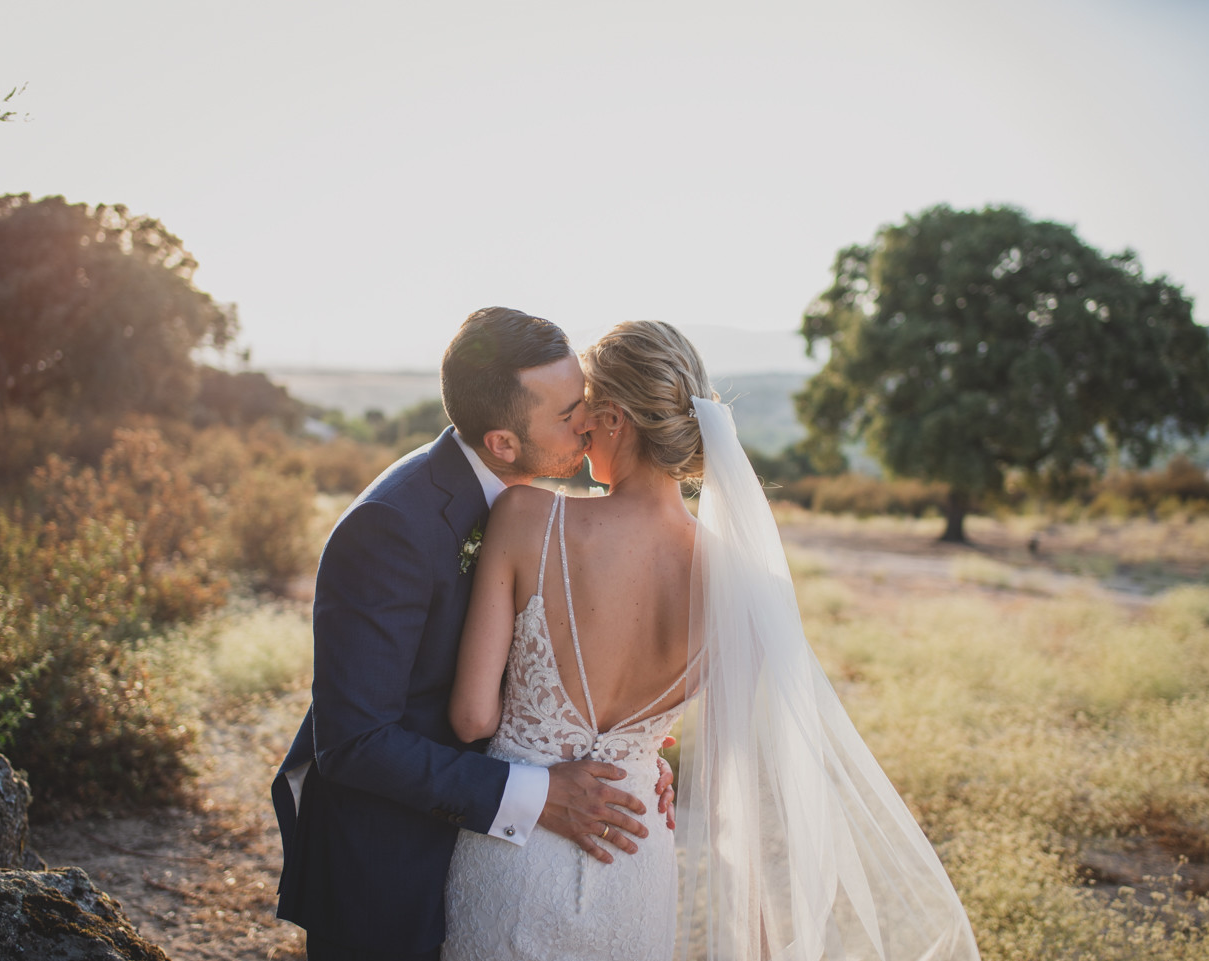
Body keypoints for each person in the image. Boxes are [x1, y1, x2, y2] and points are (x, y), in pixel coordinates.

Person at [442, 321, 981, 961]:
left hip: (516, 857)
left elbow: (472, 717)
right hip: (633, 860)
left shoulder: (528, 516)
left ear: (616, 419)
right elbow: (729, 788)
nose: (579, 424)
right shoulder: (739, 584)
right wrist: (650, 763)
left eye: (587, 408)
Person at [271, 308, 672, 961]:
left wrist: (631, 749)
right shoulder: (389, 528)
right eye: (570, 412)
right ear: (503, 442)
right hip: (390, 866)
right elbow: (353, 741)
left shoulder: (537, 514)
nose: (591, 421)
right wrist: (540, 793)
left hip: (487, 857)